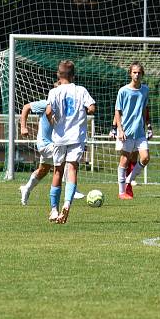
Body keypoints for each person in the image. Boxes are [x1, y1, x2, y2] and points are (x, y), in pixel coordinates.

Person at [45, 60, 96, 223]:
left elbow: (48, 112)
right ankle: (67, 204)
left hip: (59, 137)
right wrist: (85, 112)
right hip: (76, 136)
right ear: (73, 76)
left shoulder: (54, 92)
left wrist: (53, 122)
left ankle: (54, 209)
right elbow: (92, 107)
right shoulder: (80, 90)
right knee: (72, 169)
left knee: (57, 172)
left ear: (58, 75)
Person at [18, 96, 85, 205]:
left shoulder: (66, 107)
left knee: (43, 170)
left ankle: (26, 188)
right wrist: (23, 127)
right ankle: (72, 189)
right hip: (45, 144)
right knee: (67, 157)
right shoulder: (45, 104)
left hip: (56, 144)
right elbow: (26, 107)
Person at [115, 62, 151, 200]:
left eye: (139, 72)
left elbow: (145, 109)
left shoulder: (145, 90)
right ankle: (121, 191)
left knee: (145, 158)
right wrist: (119, 129)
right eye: (134, 72)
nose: (137, 75)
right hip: (127, 131)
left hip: (140, 132)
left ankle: (129, 180)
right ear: (130, 73)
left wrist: (149, 126)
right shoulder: (123, 91)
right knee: (124, 160)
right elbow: (117, 111)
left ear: (142, 74)